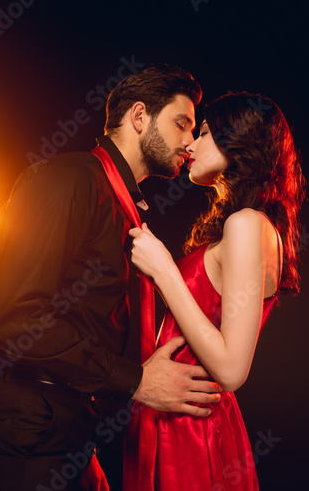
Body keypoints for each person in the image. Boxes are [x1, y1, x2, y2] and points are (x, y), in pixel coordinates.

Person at [0, 65, 222, 491]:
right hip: (19, 428)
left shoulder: (120, 202)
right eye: (181, 123)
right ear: (140, 116)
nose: (189, 141)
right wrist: (139, 381)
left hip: (68, 428)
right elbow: (17, 320)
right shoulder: (67, 178)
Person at [123, 92, 305, 490]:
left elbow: (231, 369)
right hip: (175, 415)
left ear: (237, 140)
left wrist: (165, 269)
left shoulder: (247, 225)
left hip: (192, 427)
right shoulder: (245, 226)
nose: (190, 143)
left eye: (203, 132)